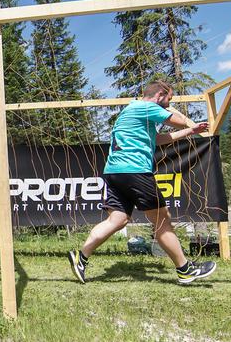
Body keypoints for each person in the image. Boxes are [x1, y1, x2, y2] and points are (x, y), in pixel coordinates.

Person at [68, 81, 217, 284]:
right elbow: (180, 120)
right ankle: (185, 269)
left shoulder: (132, 110)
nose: (168, 104)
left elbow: (157, 139)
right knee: (162, 220)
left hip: (115, 172)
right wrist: (186, 122)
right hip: (135, 170)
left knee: (117, 220)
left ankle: (81, 258)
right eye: (168, 99)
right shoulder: (146, 107)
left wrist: (190, 133)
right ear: (159, 96)